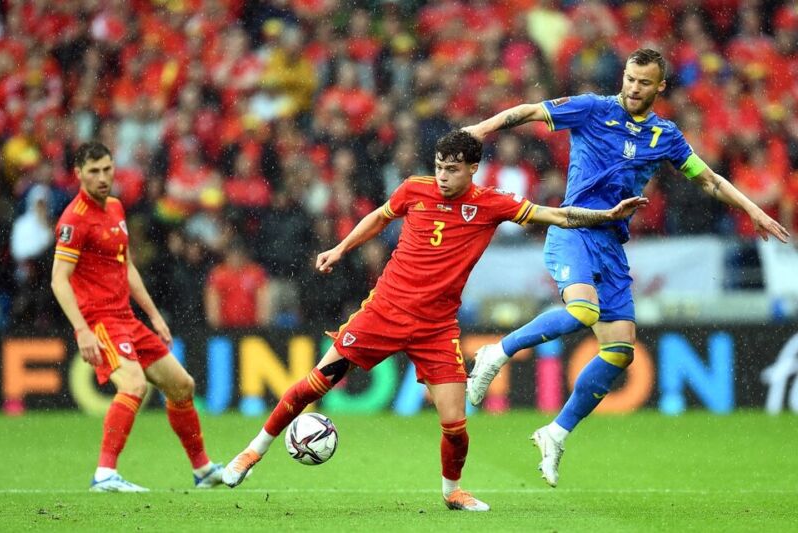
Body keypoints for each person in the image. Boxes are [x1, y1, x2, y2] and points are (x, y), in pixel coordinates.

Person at [221, 130, 647, 511]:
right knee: (315, 383)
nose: (443, 176)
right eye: (440, 167)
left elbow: (557, 215)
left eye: (452, 169)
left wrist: (605, 217)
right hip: (383, 314)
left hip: (436, 329)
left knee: (455, 424)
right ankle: (252, 452)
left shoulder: (491, 204)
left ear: (473, 169)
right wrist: (340, 248)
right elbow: (379, 217)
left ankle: (452, 492)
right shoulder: (414, 189)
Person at [463, 48, 791, 488]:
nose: (634, 88)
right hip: (574, 229)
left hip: (611, 246)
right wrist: (480, 129)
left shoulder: (665, 135)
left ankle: (556, 432)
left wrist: (753, 210)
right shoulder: (592, 109)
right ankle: (497, 352)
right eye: (630, 79)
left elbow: (709, 179)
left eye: (644, 82)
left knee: (619, 351)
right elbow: (529, 111)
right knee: (584, 311)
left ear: (660, 86)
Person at [51, 142, 225, 492]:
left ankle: (203, 471)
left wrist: (154, 315)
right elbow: (59, 279)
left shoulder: (115, 207)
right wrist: (82, 330)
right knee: (133, 385)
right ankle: (105, 474)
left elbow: (126, 266)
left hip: (127, 318)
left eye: (107, 169)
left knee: (182, 386)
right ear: (79, 174)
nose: (102, 178)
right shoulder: (74, 219)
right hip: (100, 321)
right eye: (94, 171)